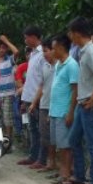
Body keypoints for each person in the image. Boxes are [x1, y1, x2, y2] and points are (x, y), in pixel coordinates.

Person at [67, 17, 93, 184]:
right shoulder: (83, 50)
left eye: (70, 33)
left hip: (90, 105)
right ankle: (80, 175)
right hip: (81, 104)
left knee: (92, 144)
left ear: (76, 33)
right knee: (74, 139)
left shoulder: (90, 51)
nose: (69, 36)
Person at [48, 34, 79, 184]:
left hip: (63, 112)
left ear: (61, 48)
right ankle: (62, 172)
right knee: (58, 144)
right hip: (55, 110)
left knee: (65, 145)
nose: (52, 52)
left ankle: (66, 174)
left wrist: (70, 112)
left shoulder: (72, 65)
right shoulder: (59, 64)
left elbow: (75, 90)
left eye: (53, 49)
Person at [18, 26, 45, 166]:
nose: (25, 40)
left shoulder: (42, 54)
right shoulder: (33, 54)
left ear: (34, 37)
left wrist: (36, 99)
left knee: (40, 130)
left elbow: (42, 80)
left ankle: (41, 158)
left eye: (26, 37)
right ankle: (33, 156)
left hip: (38, 98)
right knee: (32, 129)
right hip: (29, 97)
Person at [33, 37, 56, 171]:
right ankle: (50, 162)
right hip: (44, 104)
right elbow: (42, 86)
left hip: (56, 106)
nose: (44, 54)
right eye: (43, 52)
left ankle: (55, 162)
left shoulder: (60, 66)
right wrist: (34, 102)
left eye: (46, 51)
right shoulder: (45, 66)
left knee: (55, 137)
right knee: (45, 136)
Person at [0, 36, 18, 147]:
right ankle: (0, 141)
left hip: (8, 94)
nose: (2, 50)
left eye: (4, 48)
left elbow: (16, 51)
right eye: (0, 48)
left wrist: (6, 41)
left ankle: (8, 142)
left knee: (8, 120)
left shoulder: (10, 60)